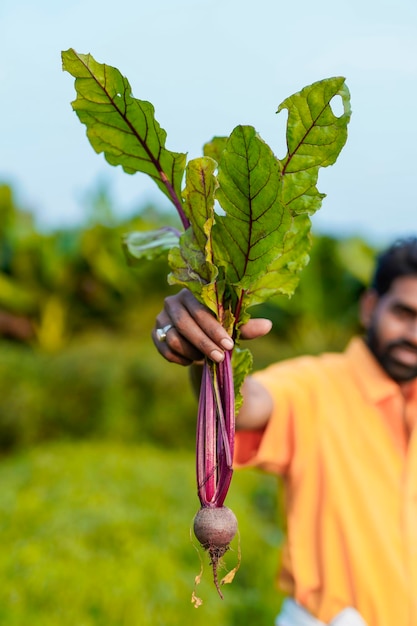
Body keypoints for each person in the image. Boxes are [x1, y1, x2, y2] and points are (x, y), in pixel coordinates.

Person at [152, 237, 417, 626]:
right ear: (369, 307)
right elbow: (245, 405)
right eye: (404, 313)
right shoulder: (316, 385)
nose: (414, 334)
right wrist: (205, 352)